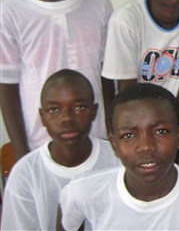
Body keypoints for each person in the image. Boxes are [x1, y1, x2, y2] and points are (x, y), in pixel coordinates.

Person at [0, 0, 113, 160]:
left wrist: (111, 134)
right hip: (39, 144)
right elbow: (6, 88)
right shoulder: (11, 12)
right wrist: (21, 153)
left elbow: (106, 77)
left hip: (96, 140)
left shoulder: (100, 4)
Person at [57, 83, 179, 230]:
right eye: (129, 135)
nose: (146, 146)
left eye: (160, 131)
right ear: (114, 144)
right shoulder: (83, 192)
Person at [1, 69, 119, 231]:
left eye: (79, 107)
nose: (67, 118)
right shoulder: (25, 174)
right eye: (54, 110)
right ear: (42, 117)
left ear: (94, 112)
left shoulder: (117, 160)